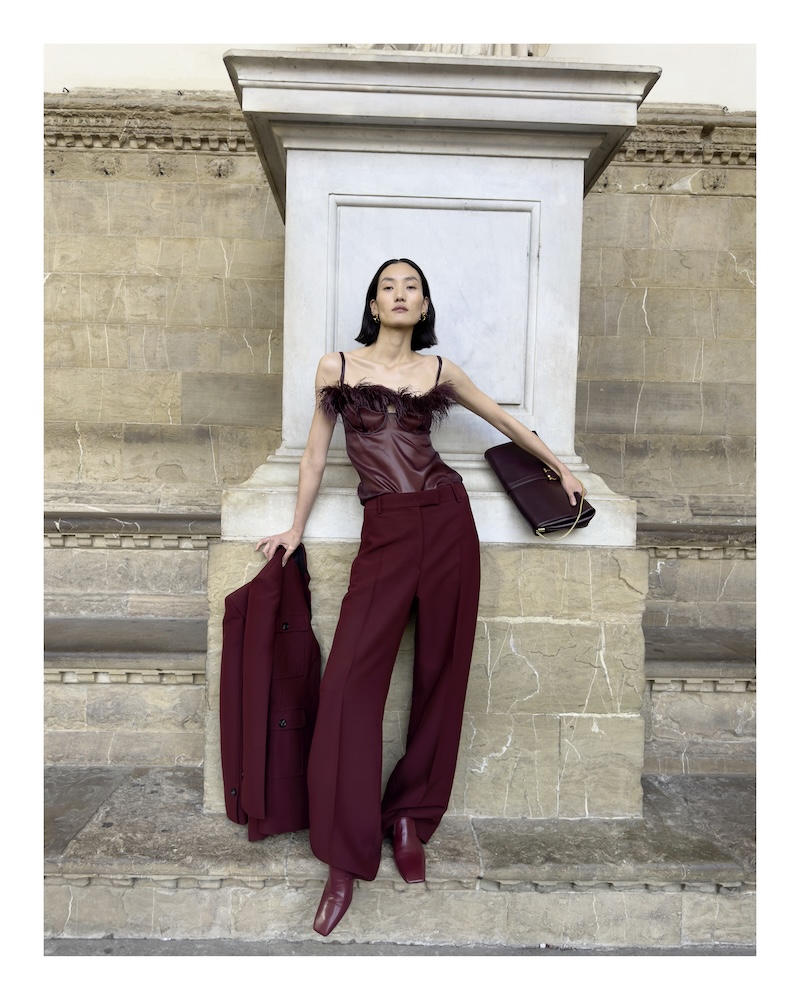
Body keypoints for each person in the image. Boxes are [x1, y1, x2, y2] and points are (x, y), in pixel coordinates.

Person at [256, 258, 584, 936]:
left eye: (412, 286)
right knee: (348, 685)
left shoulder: (440, 374)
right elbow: (317, 455)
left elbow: (504, 420)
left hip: (446, 520)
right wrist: (295, 527)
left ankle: (409, 816)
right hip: (385, 530)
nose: (400, 294)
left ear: (424, 304)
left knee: (443, 673)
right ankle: (343, 860)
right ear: (374, 305)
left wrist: (559, 466)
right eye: (388, 286)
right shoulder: (336, 368)